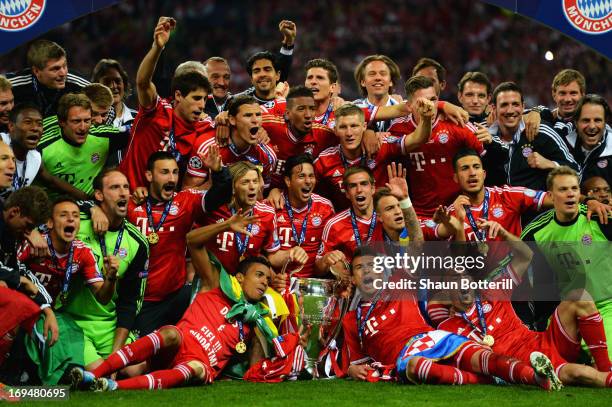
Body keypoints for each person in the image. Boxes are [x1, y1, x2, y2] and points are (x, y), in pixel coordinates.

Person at [342, 247, 561, 390]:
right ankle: (490, 378)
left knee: (482, 357)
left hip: (435, 338)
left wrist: (405, 202)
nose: (367, 271)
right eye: (360, 268)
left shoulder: (400, 285)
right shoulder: (352, 319)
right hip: (404, 356)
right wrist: (352, 370)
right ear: (353, 278)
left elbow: (417, 246)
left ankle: (538, 378)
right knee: (416, 367)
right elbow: (357, 362)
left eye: (372, 266)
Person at [72, 254, 290, 391]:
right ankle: (95, 374)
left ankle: (112, 386)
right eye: (259, 275)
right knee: (170, 333)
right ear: (240, 278)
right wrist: (227, 224)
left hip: (200, 365)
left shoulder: (257, 320)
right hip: (177, 346)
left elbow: (254, 370)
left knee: (194, 368)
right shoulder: (215, 285)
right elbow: (193, 240)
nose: (264, 282)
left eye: (268, 280)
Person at [438, 222, 612, 387]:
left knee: (579, 295)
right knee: (579, 373)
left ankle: (605, 367)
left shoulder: (493, 291)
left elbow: (526, 255)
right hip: (528, 361)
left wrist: (504, 234)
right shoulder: (449, 328)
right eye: (455, 280)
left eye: (465, 277)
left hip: (542, 340)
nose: (463, 283)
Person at [125, 150, 231, 335]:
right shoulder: (132, 206)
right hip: (143, 300)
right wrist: (95, 212)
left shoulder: (185, 201)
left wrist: (219, 172)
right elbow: (98, 203)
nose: (172, 178)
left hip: (176, 296)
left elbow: (220, 196)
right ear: (149, 175)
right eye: (164, 172)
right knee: (143, 358)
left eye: (175, 172)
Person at [60, 169, 148, 369]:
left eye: (126, 187)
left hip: (108, 324)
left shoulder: (137, 242)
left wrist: (116, 355)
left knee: (136, 370)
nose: (123, 193)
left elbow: (129, 302)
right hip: (73, 322)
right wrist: (91, 207)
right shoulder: (77, 222)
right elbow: (56, 210)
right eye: (115, 187)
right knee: (100, 371)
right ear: (99, 195)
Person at [521, 166, 612, 350]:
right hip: (569, 313)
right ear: (551, 196)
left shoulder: (600, 217)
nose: (570, 194)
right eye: (563, 189)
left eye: (574, 189)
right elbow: (514, 276)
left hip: (606, 306)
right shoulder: (536, 232)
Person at [119, 17, 213, 190]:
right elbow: (142, 83)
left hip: (163, 208)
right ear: (178, 95)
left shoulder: (204, 126)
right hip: (128, 196)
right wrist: (157, 47)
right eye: (196, 98)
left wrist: (225, 118)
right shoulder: (156, 110)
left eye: (204, 100)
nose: (201, 105)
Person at [388, 75, 484, 218]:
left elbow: (485, 159)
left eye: (433, 100)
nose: (430, 106)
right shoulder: (398, 128)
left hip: (458, 209)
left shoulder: (456, 122)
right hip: (420, 214)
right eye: (423, 102)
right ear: (409, 106)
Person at [314, 101, 432, 210]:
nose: (349, 133)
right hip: (347, 228)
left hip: (384, 222)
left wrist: (426, 119)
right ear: (335, 130)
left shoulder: (381, 145)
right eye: (343, 127)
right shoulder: (324, 160)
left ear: (364, 127)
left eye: (354, 126)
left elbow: (418, 139)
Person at [200, 161, 307, 275]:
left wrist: (291, 253)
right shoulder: (214, 207)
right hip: (214, 278)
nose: (252, 187)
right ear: (233, 188)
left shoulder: (267, 214)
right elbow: (193, 239)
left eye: (255, 181)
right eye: (245, 182)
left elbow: (272, 255)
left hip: (247, 283)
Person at [19, 197, 116, 305]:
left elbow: (102, 298)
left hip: (50, 310)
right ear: (50, 223)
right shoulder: (33, 243)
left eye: (76, 216)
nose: (71, 219)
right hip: (20, 303)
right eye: (63, 215)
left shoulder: (83, 252)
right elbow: (6, 272)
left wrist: (111, 277)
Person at [485, 82, 579, 191]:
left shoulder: (542, 132)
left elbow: (577, 172)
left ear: (523, 107)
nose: (510, 111)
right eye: (504, 105)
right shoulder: (485, 137)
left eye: (515, 104)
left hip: (539, 207)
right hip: (495, 206)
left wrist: (550, 164)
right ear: (493, 108)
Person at [0, 187, 57, 365]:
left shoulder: (10, 234)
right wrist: (17, 280)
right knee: (17, 302)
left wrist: (47, 309)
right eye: (28, 226)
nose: (28, 234)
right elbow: (16, 276)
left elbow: (17, 270)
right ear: (14, 212)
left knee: (25, 305)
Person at [38, 93, 126, 200]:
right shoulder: (42, 147)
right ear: (62, 122)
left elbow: (139, 131)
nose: (83, 127)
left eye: (87, 121)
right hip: (53, 211)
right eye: (76, 121)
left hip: (92, 209)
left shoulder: (104, 136)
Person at [184, 95, 277, 190]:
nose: (255, 120)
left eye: (258, 115)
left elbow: (261, 195)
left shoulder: (267, 155)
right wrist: (217, 181)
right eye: (248, 115)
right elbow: (187, 193)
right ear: (232, 120)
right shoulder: (207, 147)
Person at [274, 154, 335, 278]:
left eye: (311, 176)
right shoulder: (273, 206)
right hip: (277, 281)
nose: (308, 181)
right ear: (288, 181)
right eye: (301, 176)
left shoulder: (325, 208)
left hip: (311, 282)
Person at [316, 167, 383, 275]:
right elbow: (318, 269)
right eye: (353, 186)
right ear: (347, 193)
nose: (359, 190)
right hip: (350, 283)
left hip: (385, 281)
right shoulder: (334, 225)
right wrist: (326, 259)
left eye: (364, 184)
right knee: (336, 265)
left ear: (373, 188)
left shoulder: (386, 218)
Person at [6, 40, 89, 118]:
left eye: (64, 66)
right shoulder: (13, 84)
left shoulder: (78, 84)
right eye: (55, 69)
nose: (63, 73)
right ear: (36, 71)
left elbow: (99, 99)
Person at [563, 94, 611, 186]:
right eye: (586, 120)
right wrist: (536, 111)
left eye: (597, 120)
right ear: (576, 123)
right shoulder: (562, 143)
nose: (592, 126)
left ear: (605, 123)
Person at [353, 55, 402, 132]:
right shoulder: (353, 108)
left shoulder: (404, 112)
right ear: (363, 82)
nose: (378, 78)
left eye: (383, 74)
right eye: (372, 74)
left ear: (391, 81)